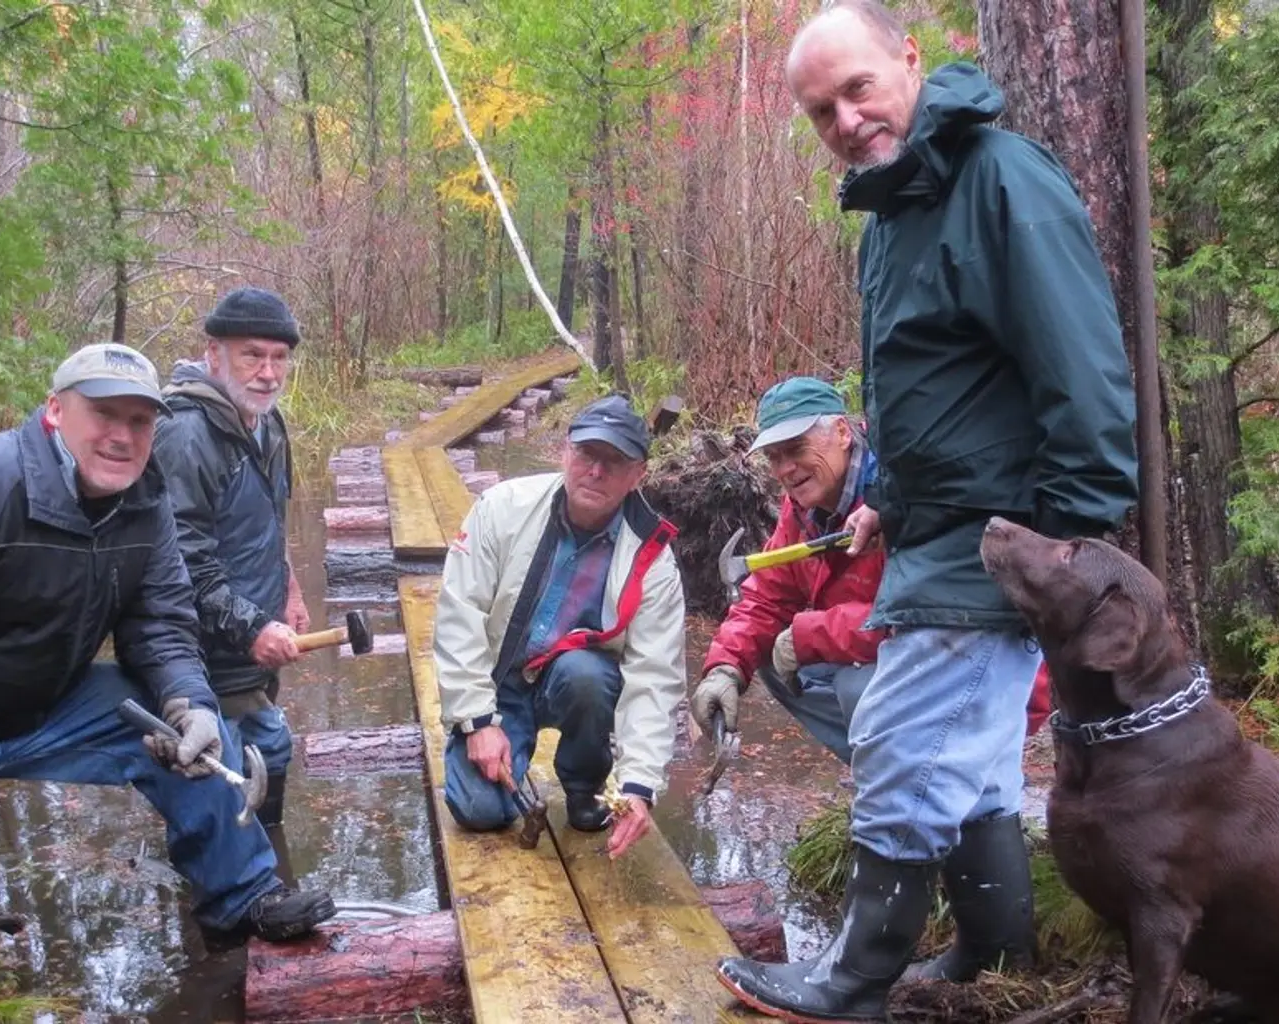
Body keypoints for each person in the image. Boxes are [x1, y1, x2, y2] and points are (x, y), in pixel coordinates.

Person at [716, 3, 1140, 1020]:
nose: (846, 118)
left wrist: (1069, 541)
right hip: (932, 529)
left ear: (909, 59)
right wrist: (885, 506)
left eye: (857, 88)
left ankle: (853, 977)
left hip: (1000, 539)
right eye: (820, 110)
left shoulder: (997, 178)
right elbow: (920, 391)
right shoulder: (892, 212)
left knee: (902, 739)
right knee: (979, 762)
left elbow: (1080, 368)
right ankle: (991, 949)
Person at [0, 342, 336, 946]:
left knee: (199, 728)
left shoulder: (145, 503)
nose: (122, 435)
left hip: (45, 704)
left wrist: (187, 700)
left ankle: (244, 897)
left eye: (139, 421)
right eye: (104, 414)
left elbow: (161, 622)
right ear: (56, 411)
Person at [692, 378, 1056, 764]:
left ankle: (939, 778)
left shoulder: (900, 493)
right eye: (774, 457)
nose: (785, 469)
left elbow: (924, 618)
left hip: (984, 677)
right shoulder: (801, 508)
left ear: (843, 433)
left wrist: (811, 634)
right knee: (766, 658)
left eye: (796, 449)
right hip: (897, 656)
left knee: (856, 685)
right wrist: (724, 668)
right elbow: (768, 596)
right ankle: (890, 773)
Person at [431, 395, 685, 859]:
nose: (596, 471)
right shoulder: (502, 508)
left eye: (615, 461)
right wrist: (476, 722)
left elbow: (655, 677)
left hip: (574, 680)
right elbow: (459, 614)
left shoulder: (654, 562)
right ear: (565, 453)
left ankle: (585, 784)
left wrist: (640, 784)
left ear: (638, 475)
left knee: (586, 675)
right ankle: (500, 738)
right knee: (479, 811)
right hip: (500, 679)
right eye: (588, 455)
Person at [152, 287, 309, 829]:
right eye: (252, 355)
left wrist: (289, 588)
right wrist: (251, 630)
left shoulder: (267, 422)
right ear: (213, 354)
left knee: (271, 758)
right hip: (202, 659)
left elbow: (269, 516)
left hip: (253, 649)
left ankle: (268, 881)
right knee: (222, 780)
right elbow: (180, 563)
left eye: (279, 357)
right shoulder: (185, 433)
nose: (268, 372)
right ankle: (232, 900)